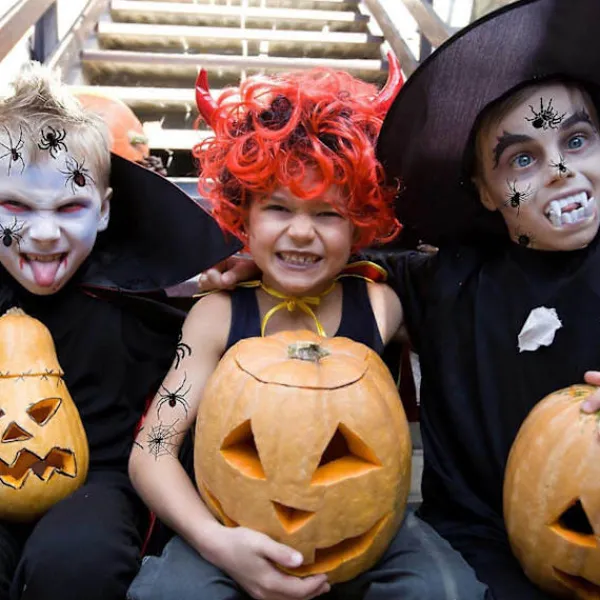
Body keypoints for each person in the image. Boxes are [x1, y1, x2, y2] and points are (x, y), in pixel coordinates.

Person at [201, 1, 600, 598]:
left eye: (578, 140)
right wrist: (256, 261)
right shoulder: (443, 280)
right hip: (478, 543)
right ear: (485, 191)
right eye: (523, 158)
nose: (561, 169)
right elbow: (338, 257)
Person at [126, 64, 489, 600]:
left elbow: (487, 322)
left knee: (446, 591)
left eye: (327, 214)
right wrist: (214, 541)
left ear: (359, 222)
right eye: (278, 207)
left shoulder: (381, 305)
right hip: (228, 529)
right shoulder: (218, 316)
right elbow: (152, 451)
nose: (301, 231)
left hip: (362, 530)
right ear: (244, 215)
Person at [0, 62, 239, 600]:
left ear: (104, 212)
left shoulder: (133, 293)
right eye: (15, 205)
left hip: (102, 481)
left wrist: (243, 279)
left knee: (77, 564)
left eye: (70, 207)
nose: (44, 232)